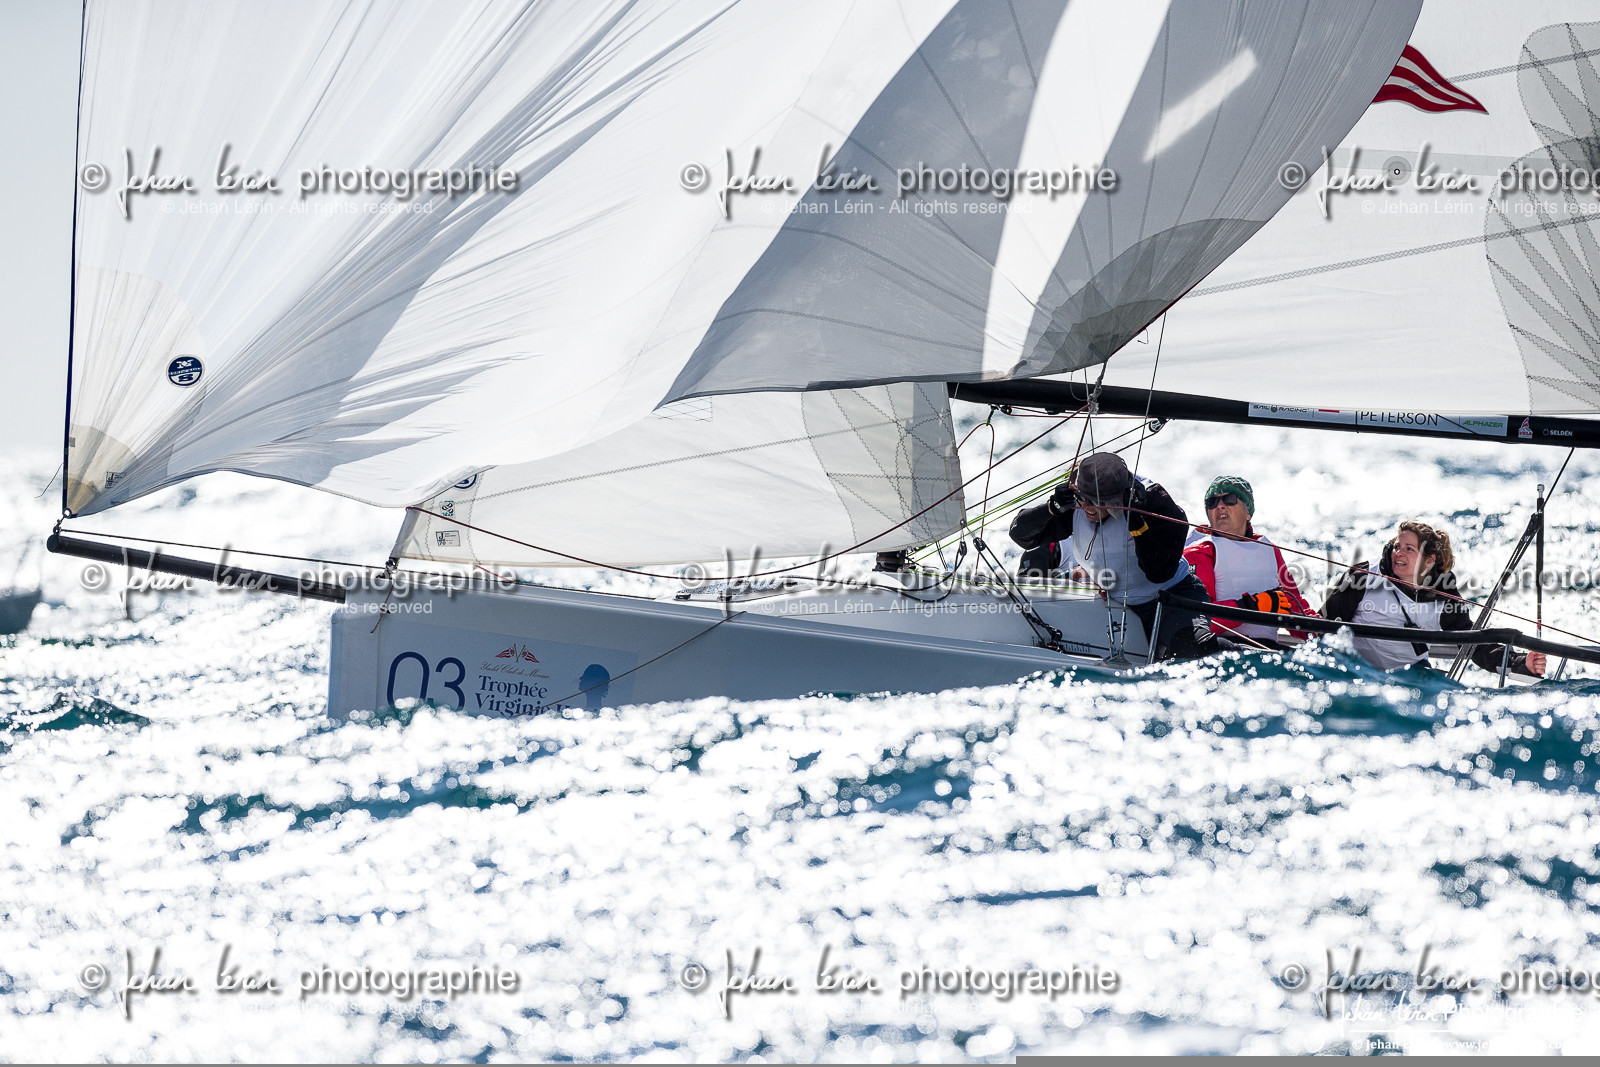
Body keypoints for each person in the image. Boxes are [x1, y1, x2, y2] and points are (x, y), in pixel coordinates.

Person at [1010, 451, 1219, 661]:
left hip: (1171, 597)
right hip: (1117, 604)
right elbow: (1020, 536)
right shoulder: (1078, 499)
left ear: (1116, 498)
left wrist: (1137, 525)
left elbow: (1159, 572)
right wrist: (1050, 508)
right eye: (1083, 499)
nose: (1088, 508)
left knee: (1193, 649)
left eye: (1097, 502)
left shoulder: (1154, 501)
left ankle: (1246, 652)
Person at [1322, 520, 1546, 677]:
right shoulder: (1363, 576)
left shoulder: (1443, 595)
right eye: (1397, 546)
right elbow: (1323, 622)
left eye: (1409, 549)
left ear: (1428, 562)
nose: (1398, 553)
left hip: (1412, 678)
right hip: (1356, 671)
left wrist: (1520, 663)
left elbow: (1473, 645)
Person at [1183, 475, 1314, 649]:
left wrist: (1318, 630)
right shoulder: (1199, 552)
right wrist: (1250, 606)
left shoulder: (1270, 550)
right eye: (1212, 502)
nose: (1220, 505)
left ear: (1248, 512)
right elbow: (1194, 621)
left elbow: (1294, 605)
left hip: (1267, 650)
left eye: (1229, 499)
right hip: (1222, 649)